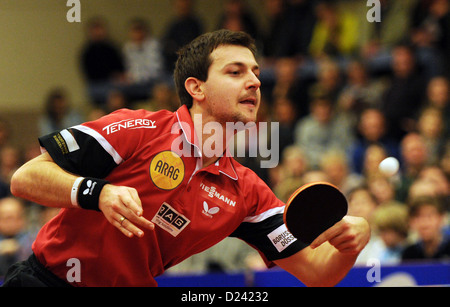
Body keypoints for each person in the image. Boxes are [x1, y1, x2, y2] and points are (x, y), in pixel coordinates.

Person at [3, 30, 369, 287]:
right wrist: (98, 193)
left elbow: (318, 274)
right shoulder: (139, 128)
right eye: (236, 72)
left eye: (256, 73)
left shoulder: (247, 192)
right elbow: (25, 178)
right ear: (197, 88)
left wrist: (353, 243)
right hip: (46, 280)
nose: (255, 82)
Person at [402, 196, 450, 261]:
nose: (424, 223)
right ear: (411, 222)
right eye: (418, 217)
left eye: (429, 216)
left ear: (441, 218)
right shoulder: (409, 253)